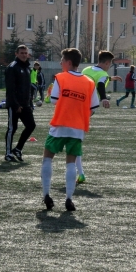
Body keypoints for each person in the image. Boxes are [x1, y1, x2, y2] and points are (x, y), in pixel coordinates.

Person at [41, 48, 99, 211]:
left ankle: (46, 195)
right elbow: (93, 107)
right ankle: (69, 199)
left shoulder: (60, 78)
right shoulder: (89, 82)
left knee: (47, 158)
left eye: (62, 60)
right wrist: (80, 114)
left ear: (68, 62)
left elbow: (53, 101)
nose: (60, 63)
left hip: (59, 125)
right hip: (78, 128)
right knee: (71, 163)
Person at [75, 50, 123, 185]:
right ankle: (80, 173)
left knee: (74, 140)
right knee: (75, 140)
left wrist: (111, 78)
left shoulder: (86, 69)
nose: (109, 67)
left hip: (76, 104)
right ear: (107, 63)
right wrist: (103, 98)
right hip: (87, 108)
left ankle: (80, 173)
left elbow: (93, 80)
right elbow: (100, 84)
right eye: (110, 64)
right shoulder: (103, 74)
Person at [5, 45, 36, 162]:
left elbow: (27, 88)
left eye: (25, 53)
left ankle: (18, 149)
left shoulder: (27, 68)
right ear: (16, 54)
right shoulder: (12, 67)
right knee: (12, 129)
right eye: (21, 53)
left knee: (31, 125)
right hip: (15, 105)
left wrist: (30, 102)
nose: (24, 55)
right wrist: (16, 104)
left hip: (26, 104)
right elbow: (10, 89)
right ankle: (8, 153)